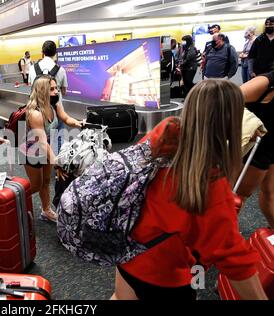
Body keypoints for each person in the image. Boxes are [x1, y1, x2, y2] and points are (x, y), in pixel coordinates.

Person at [112, 79, 267, 300]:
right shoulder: (212, 183)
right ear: (230, 120)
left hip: (126, 251)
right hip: (165, 276)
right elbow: (234, 258)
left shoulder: (161, 135)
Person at [22, 75, 83, 222]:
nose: (56, 91)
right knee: (35, 186)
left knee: (46, 181)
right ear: (43, 91)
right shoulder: (35, 113)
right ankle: (15, 204)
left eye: (56, 88)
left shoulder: (54, 104)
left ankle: (46, 210)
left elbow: (66, 118)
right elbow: (42, 142)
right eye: (52, 89)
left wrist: (80, 123)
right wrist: (57, 163)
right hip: (32, 150)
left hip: (48, 146)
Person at [236, 71, 274, 228]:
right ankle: (218, 237)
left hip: (271, 147)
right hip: (256, 149)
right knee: (238, 196)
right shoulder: (265, 82)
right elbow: (224, 99)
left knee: (270, 192)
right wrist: (249, 126)